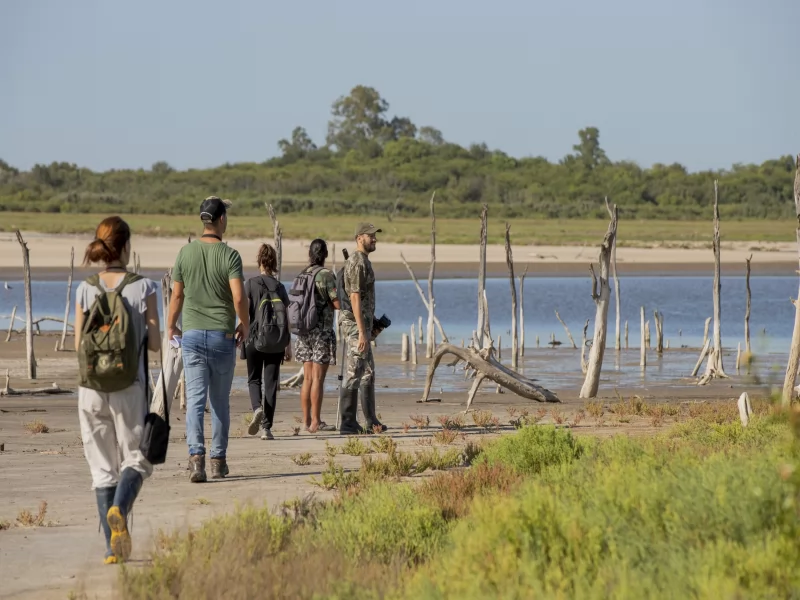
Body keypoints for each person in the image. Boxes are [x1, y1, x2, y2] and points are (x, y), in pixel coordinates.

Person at [74, 216, 160, 564]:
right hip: (129, 386)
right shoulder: (144, 287)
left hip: (90, 388)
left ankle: (112, 550)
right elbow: (154, 344)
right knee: (137, 459)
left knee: (101, 469)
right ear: (126, 247)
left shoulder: (85, 289)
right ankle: (120, 510)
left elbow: (79, 344)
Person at [167, 197, 249, 483]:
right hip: (221, 337)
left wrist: (170, 326)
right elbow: (239, 297)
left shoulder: (185, 253)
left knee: (195, 400)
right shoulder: (230, 256)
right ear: (221, 219)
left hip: (191, 336)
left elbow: (177, 295)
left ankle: (196, 459)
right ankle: (218, 461)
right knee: (219, 403)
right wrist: (245, 324)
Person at [338, 223, 386, 434]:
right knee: (354, 370)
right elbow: (355, 297)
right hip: (355, 326)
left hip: (364, 325)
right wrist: (361, 332)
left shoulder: (364, 261)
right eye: (370, 236)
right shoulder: (357, 262)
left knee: (367, 372)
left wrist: (370, 324)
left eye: (375, 236)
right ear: (359, 238)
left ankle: (371, 421)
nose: (374, 239)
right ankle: (347, 422)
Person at [244, 244, 291, 440]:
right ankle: (266, 429)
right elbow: (286, 317)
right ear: (274, 263)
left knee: (254, 379)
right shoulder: (280, 287)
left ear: (260, 261)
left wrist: (241, 334)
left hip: (255, 339)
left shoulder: (250, 284)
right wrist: (288, 345)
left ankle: (257, 408)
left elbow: (245, 312)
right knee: (271, 384)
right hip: (276, 341)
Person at [293, 239, 340, 433]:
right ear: (325, 254)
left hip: (303, 331)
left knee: (307, 379)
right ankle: (316, 422)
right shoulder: (326, 275)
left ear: (310, 254)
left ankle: (306, 421)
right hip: (321, 332)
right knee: (318, 379)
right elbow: (337, 303)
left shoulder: (302, 274)